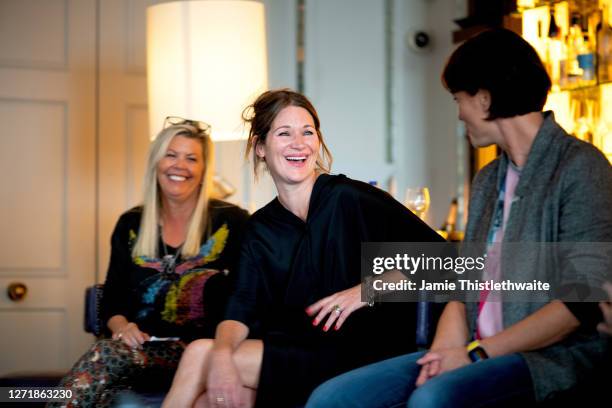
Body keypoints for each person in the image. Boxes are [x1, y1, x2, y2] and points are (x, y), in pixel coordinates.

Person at [306, 28, 612, 408]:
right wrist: (444, 352)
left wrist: (475, 355)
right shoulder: (487, 180)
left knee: (433, 400)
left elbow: (578, 303)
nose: (458, 113)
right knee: (332, 398)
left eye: (459, 99)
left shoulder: (580, 168)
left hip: (544, 361)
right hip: (472, 351)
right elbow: (464, 281)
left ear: (484, 100)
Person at [162, 89, 443, 408]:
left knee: (201, 354)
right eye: (285, 133)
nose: (299, 143)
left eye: (308, 132)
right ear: (260, 148)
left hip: (364, 352)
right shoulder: (260, 228)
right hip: (297, 351)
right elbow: (241, 304)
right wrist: (224, 355)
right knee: (206, 397)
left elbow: (447, 262)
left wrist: (365, 290)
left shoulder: (348, 198)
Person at [50, 118, 249, 407]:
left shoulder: (232, 221)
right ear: (156, 162)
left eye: (191, 158)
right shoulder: (131, 222)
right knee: (97, 387)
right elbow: (112, 298)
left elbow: (247, 296)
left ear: (204, 169)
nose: (179, 165)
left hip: (200, 352)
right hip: (137, 351)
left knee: (105, 356)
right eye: (170, 154)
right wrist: (121, 327)